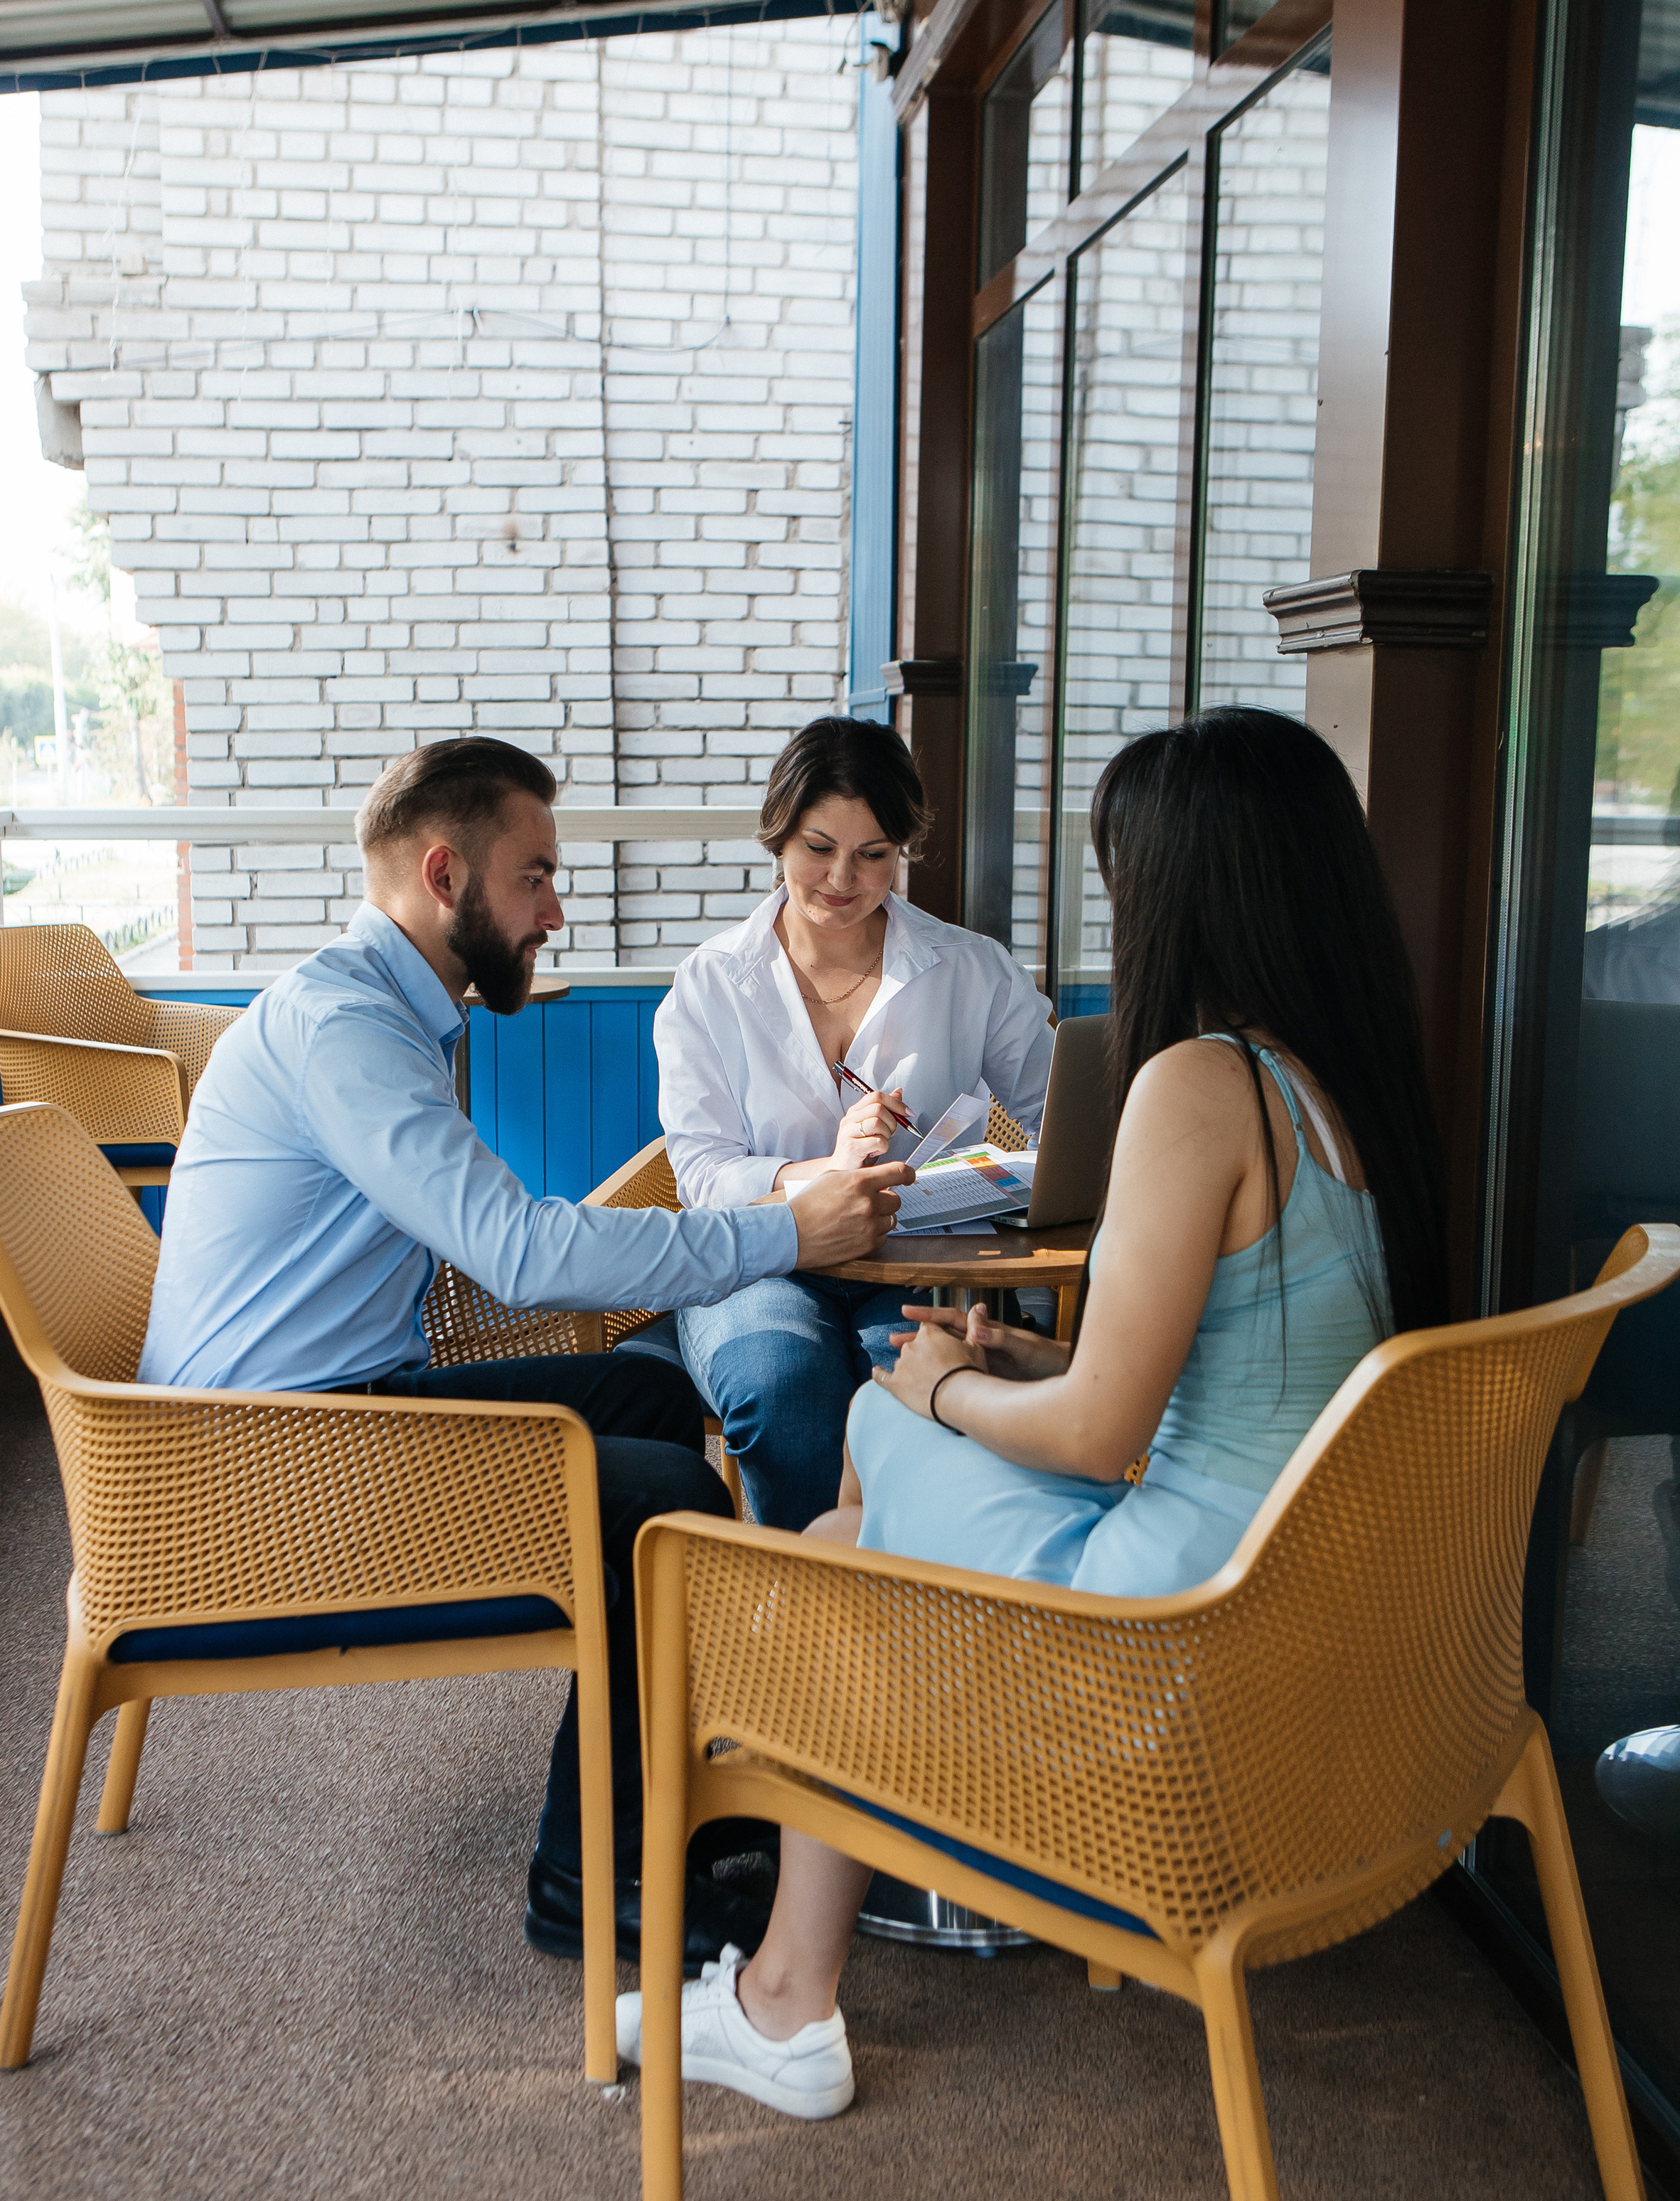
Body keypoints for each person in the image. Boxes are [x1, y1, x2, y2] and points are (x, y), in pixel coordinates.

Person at [618, 707, 1449, 2115]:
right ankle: (802, 1964)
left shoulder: (1200, 1087)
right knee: (843, 1470)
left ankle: (805, 1960)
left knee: (871, 1453)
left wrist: (944, 1380)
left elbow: (1093, 1439)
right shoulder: (1349, 1094)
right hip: (1300, 1609)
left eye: (1123, 873)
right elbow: (1225, 1373)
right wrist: (1003, 1366)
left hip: (1174, 1625)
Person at [137, 736, 906, 1974]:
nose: (557, 910)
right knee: (665, 1500)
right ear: (446, 875)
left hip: (337, 1411)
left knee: (648, 1393)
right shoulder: (347, 1027)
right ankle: (594, 1886)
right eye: (536, 877)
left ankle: (663, 1788)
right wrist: (783, 1230)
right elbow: (516, 1251)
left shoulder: (391, 1008)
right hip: (269, 1466)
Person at [655, 716, 1055, 1531]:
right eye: (817, 847)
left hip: (915, 1260)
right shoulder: (710, 985)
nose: (842, 878)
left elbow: (1063, 1114)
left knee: (913, 1387)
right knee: (784, 1391)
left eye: (873, 854)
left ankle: (907, 1628)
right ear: (778, 836)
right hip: (759, 1261)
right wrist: (822, 1175)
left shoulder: (969, 969)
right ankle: (803, 1631)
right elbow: (700, 1172)